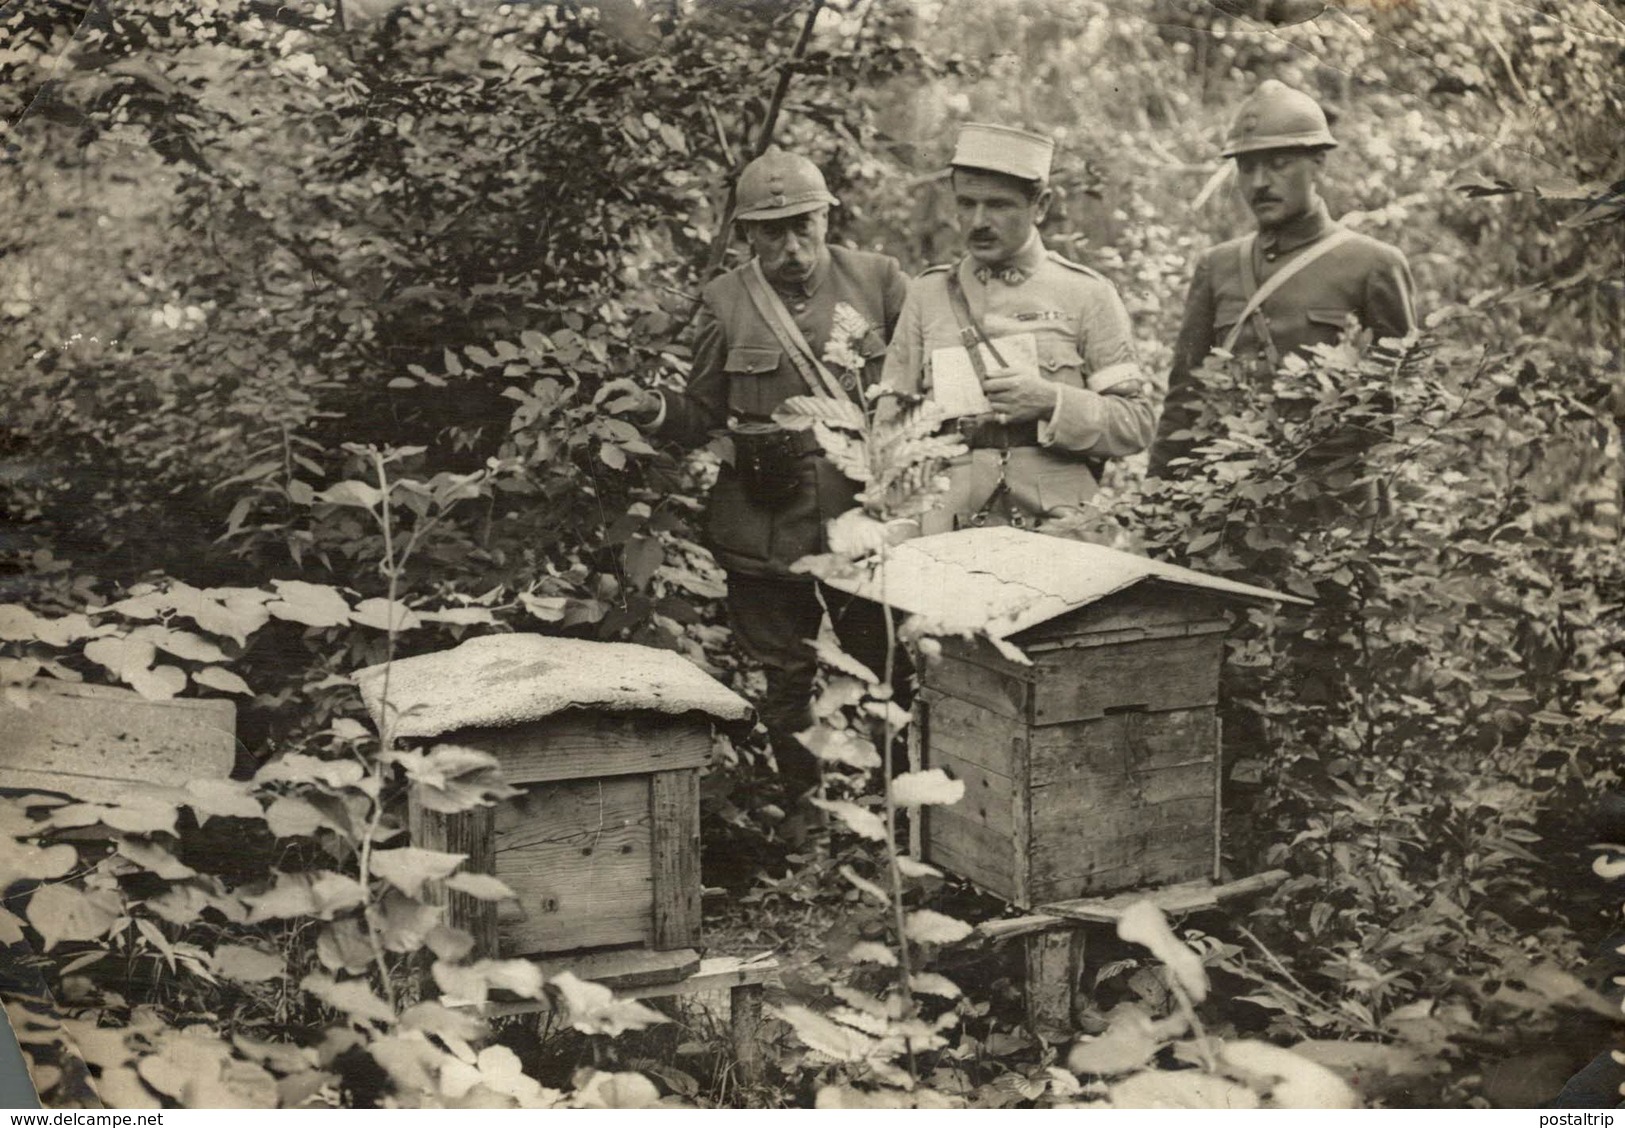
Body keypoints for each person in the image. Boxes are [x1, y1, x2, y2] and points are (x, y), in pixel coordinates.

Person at [619, 146, 909, 802]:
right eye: (771, 231)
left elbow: (923, 387)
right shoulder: (725, 301)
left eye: (802, 224)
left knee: (892, 666)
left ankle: (905, 819)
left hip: (861, 521)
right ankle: (804, 815)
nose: (790, 245)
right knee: (784, 679)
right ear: (746, 233)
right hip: (763, 523)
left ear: (827, 218)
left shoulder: (880, 282)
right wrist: (653, 408)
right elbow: (699, 412)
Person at [881, 123, 1155, 534]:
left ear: (1040, 206)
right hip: (947, 526)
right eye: (967, 204)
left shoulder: (1087, 294)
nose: (978, 221)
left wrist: (1051, 401)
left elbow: (1135, 423)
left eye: (999, 205)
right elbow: (889, 426)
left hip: (1058, 528)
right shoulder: (928, 295)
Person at [1148, 79, 1418, 480]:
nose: (1259, 183)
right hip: (1228, 507)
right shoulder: (1217, 266)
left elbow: (1405, 408)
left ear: (1319, 162)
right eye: (1247, 166)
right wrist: (1157, 509)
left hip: (1333, 512)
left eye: (1278, 163)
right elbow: (1184, 401)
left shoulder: (1373, 264)